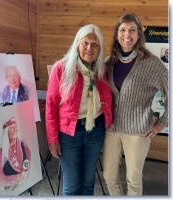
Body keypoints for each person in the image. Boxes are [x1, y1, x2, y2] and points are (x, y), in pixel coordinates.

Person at [102, 13, 168, 196]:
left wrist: (163, 122)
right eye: (122, 30)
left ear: (139, 34)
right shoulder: (110, 62)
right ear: (117, 34)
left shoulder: (151, 63)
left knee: (133, 179)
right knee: (109, 176)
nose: (127, 35)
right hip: (112, 130)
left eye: (132, 30)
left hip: (138, 132)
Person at [45, 24, 112, 195]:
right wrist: (53, 139)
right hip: (69, 134)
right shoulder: (61, 68)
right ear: (77, 44)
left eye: (95, 44)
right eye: (85, 43)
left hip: (95, 131)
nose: (90, 48)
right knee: (73, 185)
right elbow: (51, 107)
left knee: (89, 182)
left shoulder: (102, 70)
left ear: (100, 48)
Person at [0, 117, 31, 192]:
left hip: (26, 184)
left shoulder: (22, 142)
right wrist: (16, 178)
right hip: (9, 191)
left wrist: (26, 171)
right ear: (6, 131)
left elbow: (29, 156)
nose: (15, 130)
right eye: (11, 128)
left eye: (15, 126)